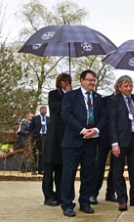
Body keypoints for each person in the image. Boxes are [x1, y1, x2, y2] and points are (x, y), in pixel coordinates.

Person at [60, 70, 106, 217]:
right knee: (69, 174)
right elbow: (66, 114)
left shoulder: (98, 98)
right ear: (81, 80)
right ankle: (67, 204)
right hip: (72, 142)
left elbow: (104, 116)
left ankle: (85, 202)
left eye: (94, 80)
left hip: (91, 142)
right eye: (89, 80)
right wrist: (82, 130)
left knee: (88, 174)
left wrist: (96, 130)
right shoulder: (70, 96)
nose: (92, 83)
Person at [107, 75, 134, 211]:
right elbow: (111, 123)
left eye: (130, 85)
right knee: (118, 171)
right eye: (126, 86)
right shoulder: (114, 101)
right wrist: (114, 143)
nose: (129, 88)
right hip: (120, 140)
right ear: (119, 87)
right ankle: (122, 199)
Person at [43, 73, 72, 206]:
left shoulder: (72, 96)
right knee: (50, 164)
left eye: (68, 81)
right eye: (63, 81)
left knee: (61, 165)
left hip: (65, 134)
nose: (66, 83)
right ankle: (48, 195)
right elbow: (57, 108)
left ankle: (60, 194)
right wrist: (67, 95)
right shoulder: (53, 94)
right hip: (54, 133)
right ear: (59, 82)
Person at [90, 84, 119, 205]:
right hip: (104, 137)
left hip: (118, 138)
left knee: (115, 166)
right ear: (116, 87)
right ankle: (93, 193)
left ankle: (110, 192)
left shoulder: (125, 102)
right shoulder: (105, 100)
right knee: (99, 165)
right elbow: (100, 117)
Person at [30, 106, 49, 174]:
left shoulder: (48, 119)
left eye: (45, 110)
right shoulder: (35, 118)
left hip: (45, 137)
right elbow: (31, 128)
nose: (44, 111)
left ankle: (41, 169)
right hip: (36, 137)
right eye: (43, 109)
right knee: (34, 153)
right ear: (40, 110)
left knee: (42, 154)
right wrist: (33, 135)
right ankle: (33, 169)